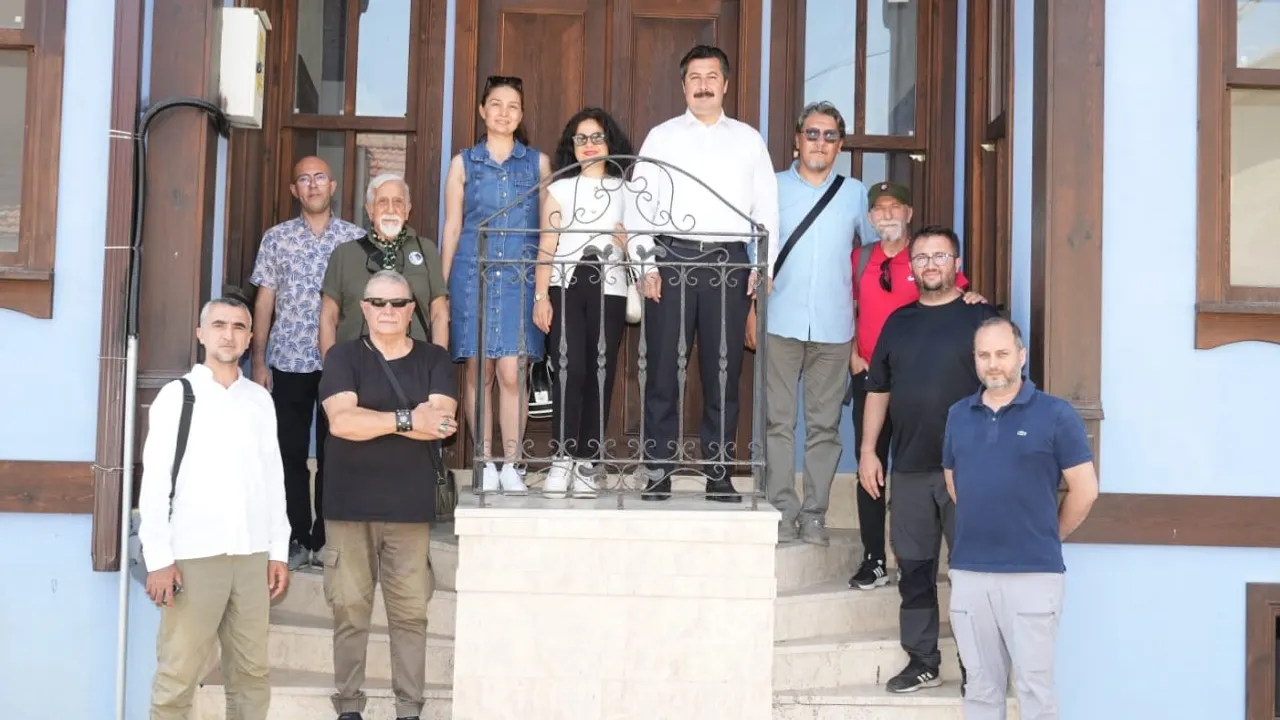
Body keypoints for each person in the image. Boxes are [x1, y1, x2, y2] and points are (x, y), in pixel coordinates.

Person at [625, 44, 779, 502]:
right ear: (683, 85)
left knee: (723, 373)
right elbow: (638, 204)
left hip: (728, 264)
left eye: (712, 76)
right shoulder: (662, 137)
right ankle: (657, 471)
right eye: (695, 77)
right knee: (662, 372)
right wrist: (645, 264)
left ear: (725, 84)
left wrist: (761, 264)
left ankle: (719, 474)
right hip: (671, 259)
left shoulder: (748, 140)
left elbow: (766, 209)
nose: (704, 85)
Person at [857, 226, 999, 693]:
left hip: (971, 470)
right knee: (915, 570)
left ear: (957, 264)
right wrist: (868, 452)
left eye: (940, 256)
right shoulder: (898, 323)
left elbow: (1006, 386)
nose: (930, 264)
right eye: (921, 258)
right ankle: (922, 661)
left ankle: (978, 669)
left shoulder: (982, 318)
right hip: (911, 467)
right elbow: (878, 390)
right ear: (912, 267)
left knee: (972, 574)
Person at [139, 297, 291, 720]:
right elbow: (155, 482)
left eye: (239, 327)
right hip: (193, 556)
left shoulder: (259, 400)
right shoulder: (177, 396)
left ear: (250, 337)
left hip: (251, 556)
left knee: (251, 677)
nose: (229, 334)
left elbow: (272, 479)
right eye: (219, 325)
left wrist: (278, 550)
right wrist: (159, 559)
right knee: (177, 678)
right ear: (201, 334)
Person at [319, 270, 459, 720]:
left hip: (409, 510)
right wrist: (407, 419)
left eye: (398, 303)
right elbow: (342, 422)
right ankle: (349, 707)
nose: (388, 311)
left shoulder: (434, 359)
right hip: (348, 507)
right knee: (349, 611)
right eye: (378, 302)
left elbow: (441, 424)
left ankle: (409, 710)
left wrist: (374, 420)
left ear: (411, 310)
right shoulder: (342, 356)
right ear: (364, 308)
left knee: (411, 616)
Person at [943, 317, 1098, 718]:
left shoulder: (1056, 414)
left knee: (1035, 692)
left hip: (1033, 574)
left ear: (1021, 356)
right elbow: (954, 482)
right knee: (980, 690)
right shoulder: (958, 415)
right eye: (984, 355)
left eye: (1002, 354)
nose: (993, 364)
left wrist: (1049, 533)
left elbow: (1085, 489)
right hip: (970, 573)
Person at [846, 183, 980, 589]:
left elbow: (959, 294)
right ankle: (874, 558)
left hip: (918, 381)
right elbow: (848, 306)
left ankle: (936, 555)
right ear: (870, 218)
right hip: (872, 378)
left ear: (908, 213)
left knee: (920, 471)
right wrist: (853, 352)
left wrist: (976, 299)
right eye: (879, 209)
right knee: (870, 463)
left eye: (895, 207)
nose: (887, 215)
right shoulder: (860, 258)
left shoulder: (925, 255)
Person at [758, 101, 878, 545]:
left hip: (835, 327)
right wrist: (753, 306)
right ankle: (781, 510)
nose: (820, 142)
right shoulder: (771, 187)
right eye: (812, 133)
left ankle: (814, 515)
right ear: (797, 139)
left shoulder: (854, 193)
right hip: (780, 320)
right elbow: (755, 250)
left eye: (830, 136)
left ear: (840, 145)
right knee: (777, 423)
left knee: (824, 428)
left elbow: (872, 255)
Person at [250, 155, 364, 571]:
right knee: (289, 453)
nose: (313, 185)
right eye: (304, 179)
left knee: (337, 453)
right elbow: (264, 301)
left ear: (332, 186)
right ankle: (297, 536)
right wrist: (258, 360)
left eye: (320, 177)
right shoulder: (276, 238)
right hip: (287, 360)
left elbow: (367, 303)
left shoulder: (355, 239)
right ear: (294, 190)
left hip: (340, 363)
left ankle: (327, 536)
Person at [441, 75, 552, 495]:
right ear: (482, 111)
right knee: (478, 371)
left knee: (512, 372)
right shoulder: (464, 163)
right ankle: (484, 461)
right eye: (496, 104)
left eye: (513, 106)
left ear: (521, 115)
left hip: (520, 280)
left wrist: (543, 287)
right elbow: (453, 226)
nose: (504, 113)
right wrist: (442, 290)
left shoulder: (537, 164)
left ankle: (512, 463)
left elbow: (549, 229)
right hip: (473, 275)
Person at [532, 107, 635, 498]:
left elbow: (639, 242)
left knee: (600, 373)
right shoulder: (559, 189)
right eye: (581, 139)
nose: (589, 145)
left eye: (596, 137)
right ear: (571, 145)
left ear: (610, 142)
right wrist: (541, 296)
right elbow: (547, 245)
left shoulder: (627, 189)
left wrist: (628, 246)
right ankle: (562, 458)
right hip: (566, 285)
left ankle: (589, 462)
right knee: (569, 369)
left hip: (610, 286)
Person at [319, 174, 449, 356]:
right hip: (356, 364)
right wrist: (332, 367)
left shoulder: (426, 250)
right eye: (382, 202)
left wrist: (439, 365)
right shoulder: (344, 254)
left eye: (398, 202)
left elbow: (439, 314)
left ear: (408, 210)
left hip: (415, 364)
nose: (390, 209)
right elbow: (328, 317)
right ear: (370, 210)